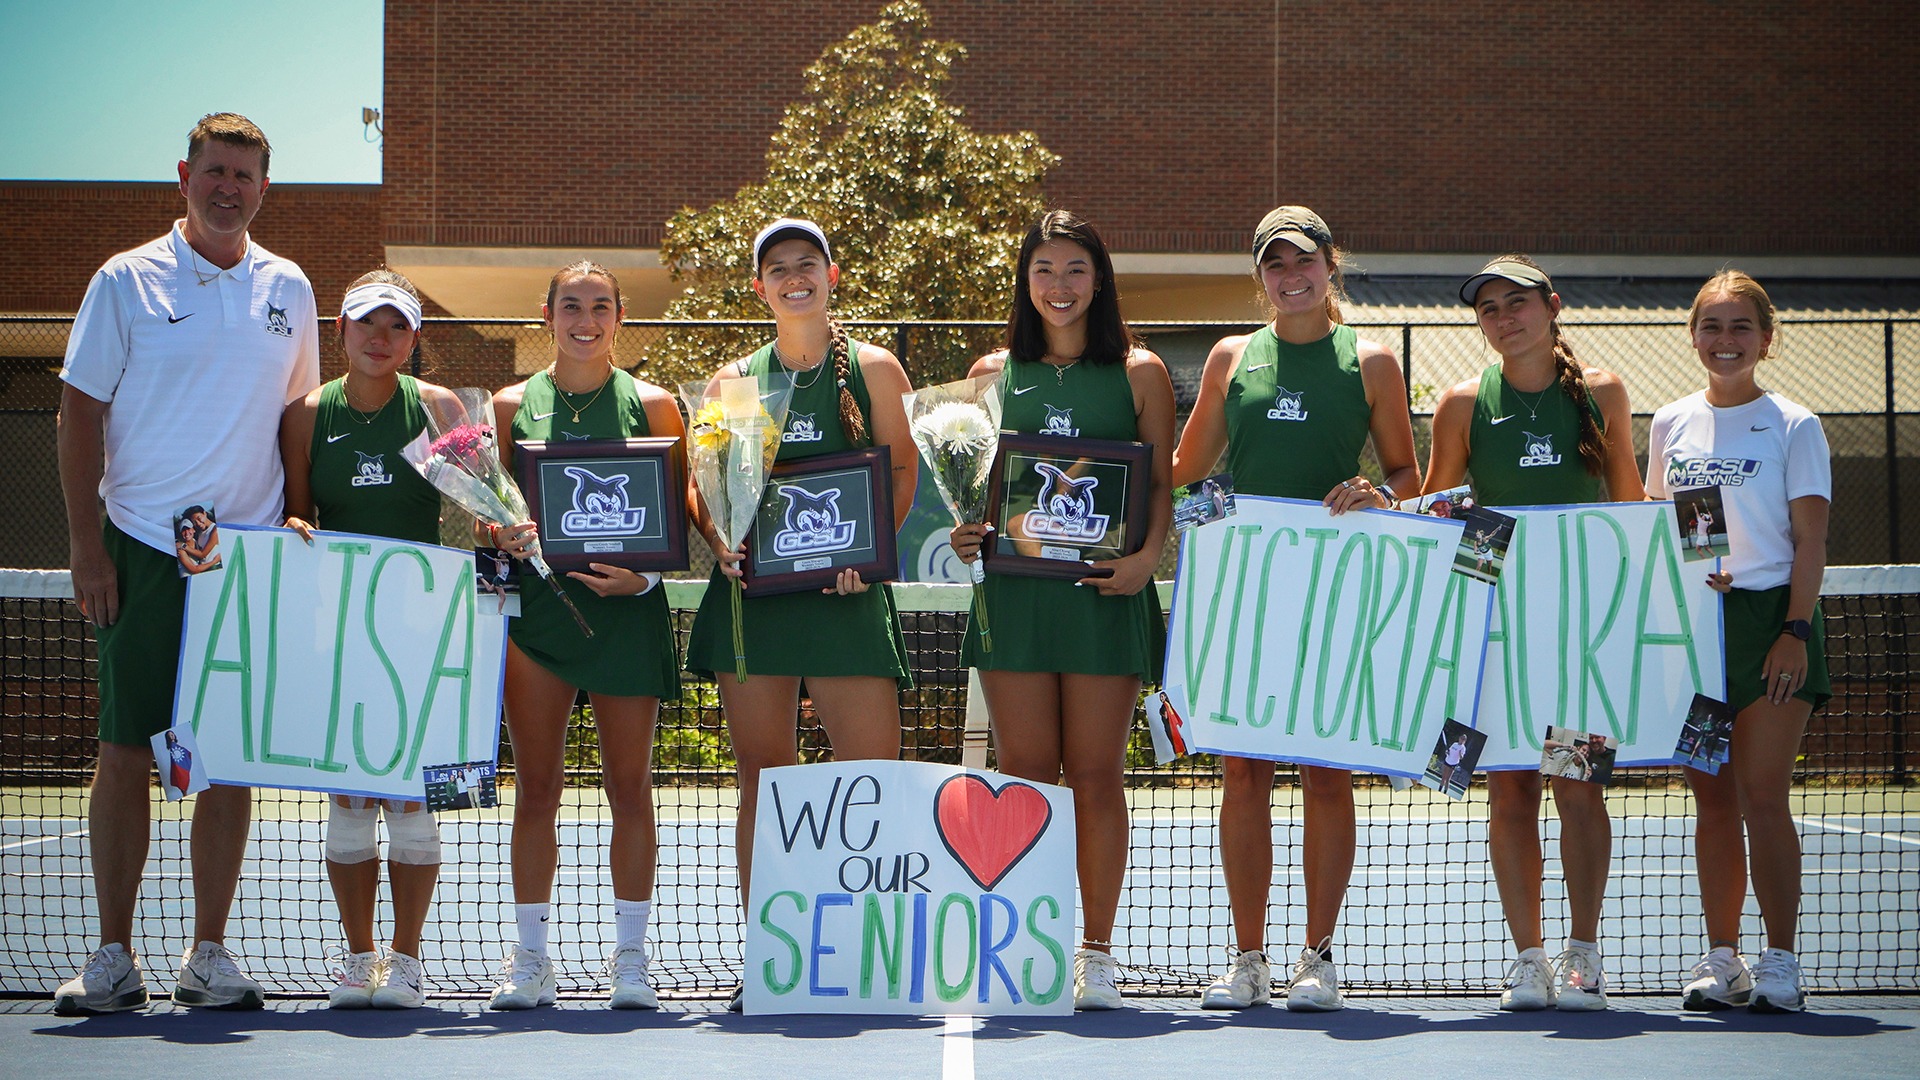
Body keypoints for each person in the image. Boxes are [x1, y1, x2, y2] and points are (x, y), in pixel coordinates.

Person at [53, 113, 319, 1015]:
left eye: (244, 176)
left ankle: (208, 954)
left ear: (263, 189)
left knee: (226, 760)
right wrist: (89, 549)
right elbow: (78, 415)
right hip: (138, 548)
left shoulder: (290, 286)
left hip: (242, 559)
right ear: (184, 176)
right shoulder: (123, 280)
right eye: (215, 171)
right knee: (126, 750)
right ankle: (113, 956)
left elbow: (296, 416)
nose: (228, 188)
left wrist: (297, 514)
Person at [1169, 206, 1419, 1011]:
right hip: (1247, 592)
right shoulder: (1231, 357)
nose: (1290, 277)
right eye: (1275, 265)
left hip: (1338, 595)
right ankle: (1249, 959)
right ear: (1260, 278)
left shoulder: (1373, 362)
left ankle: (1317, 959)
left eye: (1303, 261)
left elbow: (1410, 480)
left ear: (1329, 266)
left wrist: (1377, 492)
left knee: (1325, 772)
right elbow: (1185, 473)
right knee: (1242, 773)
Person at [683, 219, 917, 1010]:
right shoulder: (733, 383)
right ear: (759, 287)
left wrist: (870, 556)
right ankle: (772, 960)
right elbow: (704, 483)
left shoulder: (875, 369)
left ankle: (872, 956)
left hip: (848, 601)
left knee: (871, 783)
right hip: (758, 606)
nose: (793, 277)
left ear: (832, 274)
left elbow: (902, 470)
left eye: (806, 264)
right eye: (777, 268)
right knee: (764, 783)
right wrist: (718, 537)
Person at [948, 210, 1174, 1011]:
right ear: (1025, 281)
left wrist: (1145, 561)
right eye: (1044, 269)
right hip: (1016, 602)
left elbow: (1158, 489)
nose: (1060, 286)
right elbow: (977, 488)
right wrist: (969, 530)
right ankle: (1028, 945)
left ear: (1100, 278)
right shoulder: (991, 372)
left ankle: (1098, 954)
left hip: (1103, 603)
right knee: (1026, 776)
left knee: (1096, 775)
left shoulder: (1142, 372)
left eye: (1075, 269)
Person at [1421, 254, 1645, 1011]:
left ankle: (1583, 955)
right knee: (1510, 796)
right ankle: (1528, 958)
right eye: (1488, 308)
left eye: (1516, 302)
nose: (1503, 318)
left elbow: (1631, 512)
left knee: (1577, 789)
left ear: (1552, 307)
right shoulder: (1459, 403)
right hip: (1496, 641)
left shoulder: (1604, 394)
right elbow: (1440, 515)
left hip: (1577, 639)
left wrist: (1692, 569)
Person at [485, 262, 689, 1010]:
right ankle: (530, 960)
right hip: (539, 620)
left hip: (629, 618)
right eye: (571, 305)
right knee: (536, 790)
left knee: (629, 789)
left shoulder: (657, 404)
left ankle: (630, 961)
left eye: (600, 306)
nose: (586, 319)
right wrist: (500, 532)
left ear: (620, 316)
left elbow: (681, 516)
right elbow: (485, 511)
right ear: (546, 315)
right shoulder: (510, 405)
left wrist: (645, 582)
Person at [1649, 271, 1831, 1013]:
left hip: (1772, 630)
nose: (1725, 342)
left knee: (1763, 797)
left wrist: (1794, 631)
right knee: (1713, 800)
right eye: (1712, 327)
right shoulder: (1671, 423)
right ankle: (1723, 959)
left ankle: (1780, 960)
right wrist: (1700, 571)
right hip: (1696, 633)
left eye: (1740, 328)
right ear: (1693, 336)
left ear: (1766, 338)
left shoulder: (1794, 425)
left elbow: (1811, 538)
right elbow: (1663, 524)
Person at [278, 269, 456, 1009]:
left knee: (412, 799)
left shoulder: (440, 407)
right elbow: (295, 512)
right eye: (366, 324)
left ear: (414, 340)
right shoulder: (305, 415)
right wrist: (293, 529)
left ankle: (407, 962)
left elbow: (479, 503)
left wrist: (499, 530)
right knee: (350, 797)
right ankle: (359, 960)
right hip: (339, 630)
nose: (380, 338)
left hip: (420, 629)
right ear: (340, 332)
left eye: (397, 326)